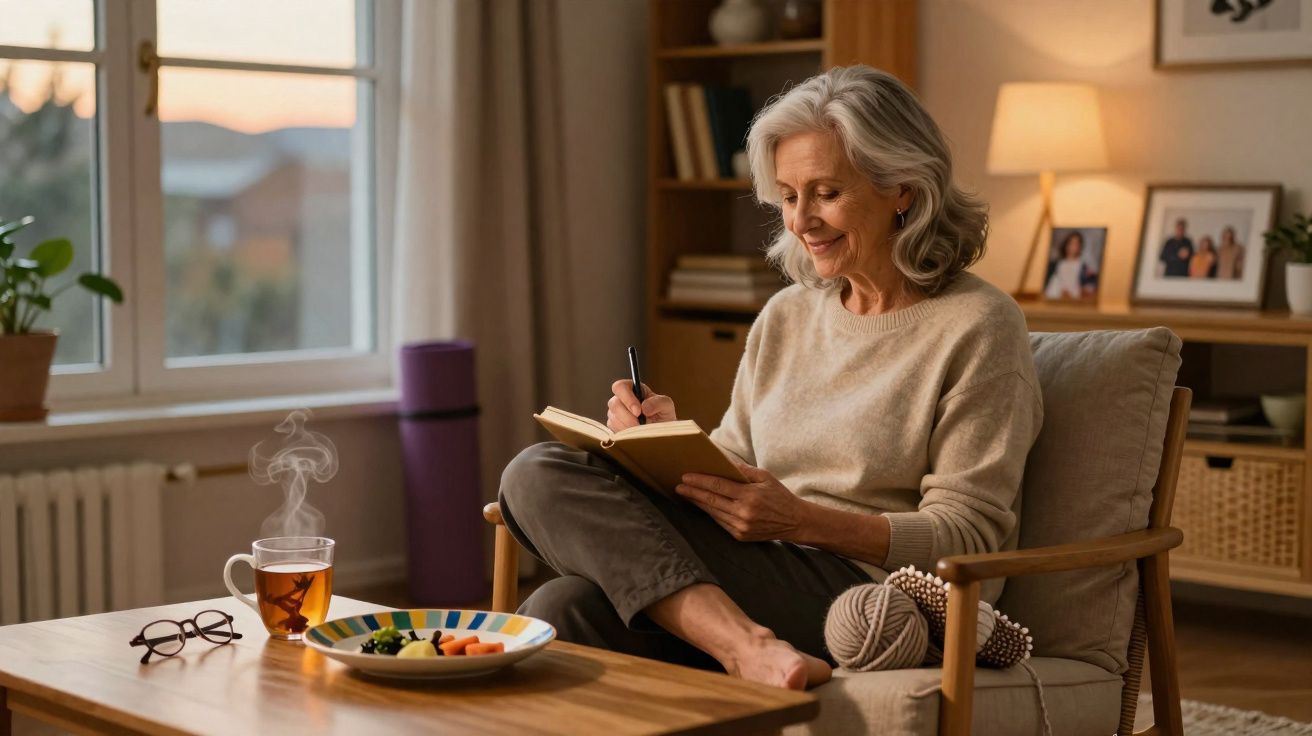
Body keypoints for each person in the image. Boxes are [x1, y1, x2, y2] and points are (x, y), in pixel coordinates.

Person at [497, 65, 1043, 691]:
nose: (800, 220)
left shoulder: (979, 325)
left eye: (826, 193)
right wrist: (668, 444)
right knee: (556, 587)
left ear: (904, 189)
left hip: (868, 597)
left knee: (538, 489)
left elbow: (969, 540)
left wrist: (802, 522)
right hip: (762, 563)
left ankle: (748, 648)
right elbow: (738, 464)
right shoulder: (787, 315)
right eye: (788, 196)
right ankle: (747, 646)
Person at [1044, 230, 1097, 299]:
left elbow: (1088, 288)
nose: (1073, 247)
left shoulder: (1084, 268)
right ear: (1066, 245)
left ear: (1080, 247)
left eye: (1076, 244)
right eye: (1071, 243)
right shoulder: (1055, 265)